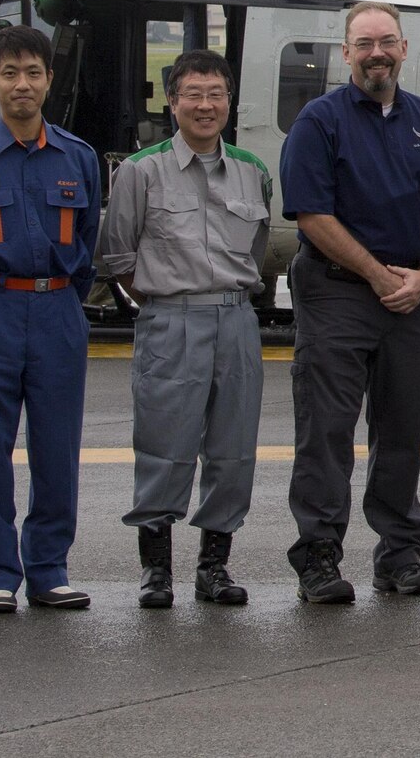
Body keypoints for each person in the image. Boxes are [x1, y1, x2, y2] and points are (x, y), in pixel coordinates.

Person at [280, 1, 420, 603]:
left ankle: (400, 554)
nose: (376, 54)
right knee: (327, 430)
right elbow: (311, 213)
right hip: (337, 294)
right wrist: (377, 275)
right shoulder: (320, 121)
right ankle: (318, 558)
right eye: (363, 44)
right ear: (345, 53)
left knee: (402, 428)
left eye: (386, 42)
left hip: (409, 300)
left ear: (404, 48)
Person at [0, 25, 102, 613]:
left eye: (33, 72)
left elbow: (86, 245)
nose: (22, 84)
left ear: (50, 81)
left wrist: (56, 296)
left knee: (57, 447)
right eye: (9, 74)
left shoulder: (77, 159)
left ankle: (49, 568)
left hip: (57, 308)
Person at [98, 49, 271, 608]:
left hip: (237, 318)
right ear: (172, 102)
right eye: (192, 94)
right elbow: (118, 256)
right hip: (170, 317)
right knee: (163, 444)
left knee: (233, 448)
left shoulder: (252, 170)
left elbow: (259, 251)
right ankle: (156, 570)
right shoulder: (140, 171)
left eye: (215, 94)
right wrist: (164, 301)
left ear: (229, 101)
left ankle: (214, 568)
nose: (204, 105)